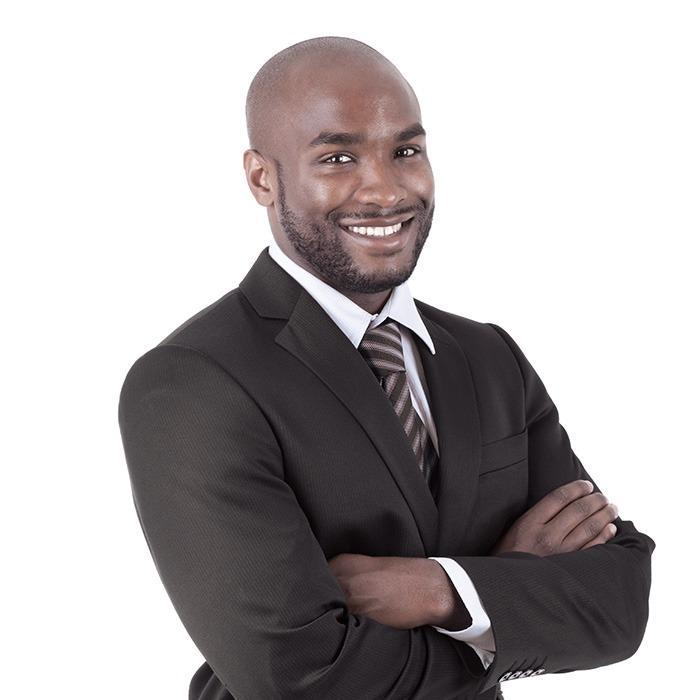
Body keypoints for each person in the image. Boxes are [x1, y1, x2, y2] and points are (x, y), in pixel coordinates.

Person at [118, 36, 654, 700]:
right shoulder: (193, 382)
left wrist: (443, 590)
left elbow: (619, 604)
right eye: (337, 157)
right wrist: (508, 595)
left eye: (406, 151)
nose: (385, 189)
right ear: (262, 178)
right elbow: (303, 678)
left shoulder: (489, 357)